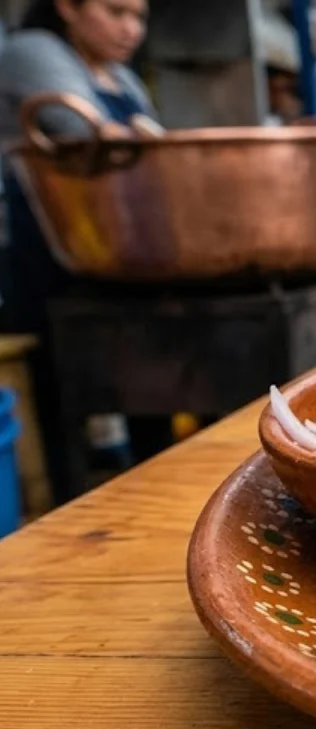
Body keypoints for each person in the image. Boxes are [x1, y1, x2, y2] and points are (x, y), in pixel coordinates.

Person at [0, 0, 153, 500]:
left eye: (139, 17)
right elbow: (83, 134)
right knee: (61, 388)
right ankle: (67, 500)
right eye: (115, 12)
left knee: (140, 387)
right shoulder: (32, 51)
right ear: (67, 6)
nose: (131, 29)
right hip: (46, 249)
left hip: (115, 254)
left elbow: (154, 148)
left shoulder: (120, 77)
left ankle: (140, 487)